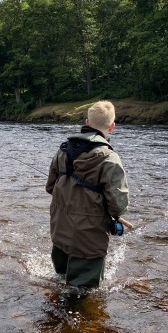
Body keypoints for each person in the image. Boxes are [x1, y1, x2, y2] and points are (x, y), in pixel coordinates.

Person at [45, 100, 129, 287]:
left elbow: (50, 187)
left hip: (60, 230)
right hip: (88, 240)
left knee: (59, 282)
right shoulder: (110, 158)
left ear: (86, 122)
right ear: (112, 126)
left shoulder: (63, 149)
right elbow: (118, 205)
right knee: (83, 297)